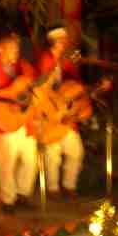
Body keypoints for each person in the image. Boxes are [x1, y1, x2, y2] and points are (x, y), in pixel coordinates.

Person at [0, 33, 38, 214]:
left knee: (30, 159)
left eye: (17, 49)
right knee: (7, 163)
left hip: (26, 121)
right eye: (11, 48)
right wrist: (4, 99)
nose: (15, 52)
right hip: (5, 122)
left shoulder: (24, 67)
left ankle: (23, 193)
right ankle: (8, 199)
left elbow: (35, 86)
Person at [36, 27, 84, 200]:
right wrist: (57, 99)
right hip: (48, 113)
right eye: (61, 39)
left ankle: (69, 186)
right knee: (52, 152)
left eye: (65, 39)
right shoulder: (44, 59)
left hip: (64, 114)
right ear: (53, 42)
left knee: (76, 151)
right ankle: (52, 188)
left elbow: (74, 86)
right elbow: (41, 86)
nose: (65, 42)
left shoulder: (67, 61)